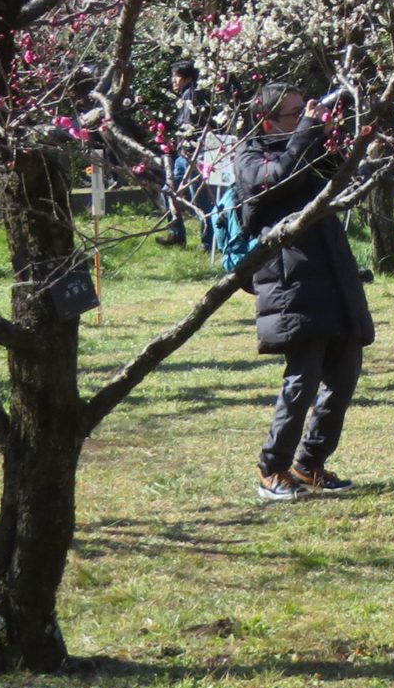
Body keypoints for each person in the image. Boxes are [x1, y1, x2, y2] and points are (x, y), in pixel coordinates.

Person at [239, 82, 374, 501]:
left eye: (305, 110)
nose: (303, 118)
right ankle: (272, 469)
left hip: (333, 275)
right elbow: (276, 179)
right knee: (303, 379)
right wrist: (309, 130)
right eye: (294, 113)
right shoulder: (250, 157)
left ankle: (309, 463)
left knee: (345, 373)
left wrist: (343, 139)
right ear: (266, 120)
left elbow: (341, 179)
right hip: (291, 281)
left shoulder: (306, 145)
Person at [158, 61, 207, 247]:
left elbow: (192, 128)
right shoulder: (186, 96)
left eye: (176, 76)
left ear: (188, 78)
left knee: (200, 200)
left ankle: (208, 243)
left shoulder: (192, 96)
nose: (173, 80)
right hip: (183, 155)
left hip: (193, 155)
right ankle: (176, 234)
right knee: (168, 192)